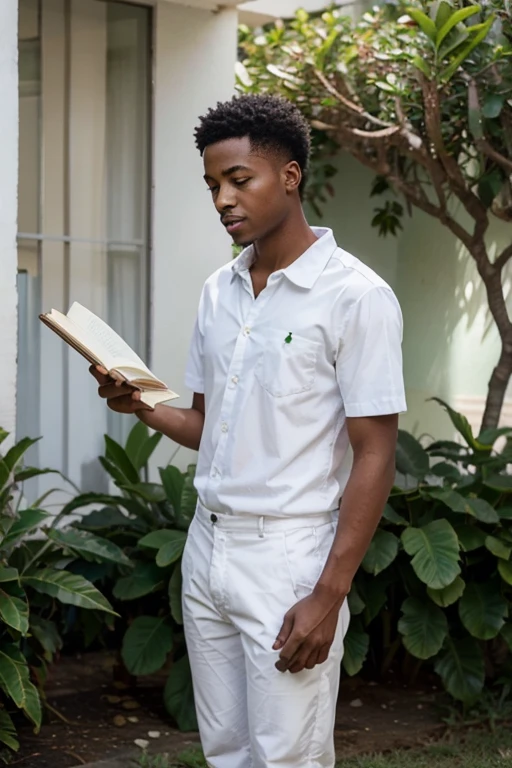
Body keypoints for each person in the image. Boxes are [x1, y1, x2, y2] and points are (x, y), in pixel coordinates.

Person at [90, 94, 406, 768]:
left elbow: (376, 450)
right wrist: (140, 404)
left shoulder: (356, 296)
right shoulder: (219, 291)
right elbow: (208, 425)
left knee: (286, 756)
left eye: (240, 180)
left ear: (289, 177)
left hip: (289, 558)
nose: (223, 200)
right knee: (228, 750)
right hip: (207, 549)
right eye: (213, 185)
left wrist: (330, 591)